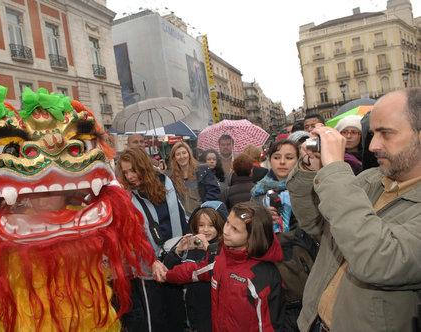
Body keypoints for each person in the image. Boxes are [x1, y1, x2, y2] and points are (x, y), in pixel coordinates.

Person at [286, 88, 421, 332]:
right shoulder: (370, 179)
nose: (373, 145)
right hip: (312, 323)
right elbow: (314, 224)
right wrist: (310, 169)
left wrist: (336, 170)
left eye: (385, 134)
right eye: (373, 133)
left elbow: (378, 259)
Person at [158, 202, 284, 332]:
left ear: (252, 236)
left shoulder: (262, 276)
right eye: (228, 223)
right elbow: (194, 271)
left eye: (235, 229)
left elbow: (268, 326)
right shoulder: (221, 257)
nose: (226, 230)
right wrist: (167, 275)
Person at [117, 147, 188, 332]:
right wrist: (152, 260)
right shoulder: (126, 196)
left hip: (175, 259)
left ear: (143, 166)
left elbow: (180, 216)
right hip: (149, 267)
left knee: (178, 314)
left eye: (133, 170)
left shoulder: (166, 183)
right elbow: (133, 236)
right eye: (125, 172)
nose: (130, 176)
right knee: (155, 320)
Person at [161, 201, 228, 332]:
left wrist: (208, 249)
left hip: (214, 311)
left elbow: (220, 269)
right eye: (201, 225)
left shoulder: (223, 247)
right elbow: (166, 269)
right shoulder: (190, 244)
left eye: (211, 225)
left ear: (220, 226)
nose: (206, 229)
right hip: (191, 309)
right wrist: (178, 251)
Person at [252, 139, 299, 233]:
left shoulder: (306, 189)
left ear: (298, 160)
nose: (282, 162)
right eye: (276, 157)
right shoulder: (258, 191)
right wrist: (262, 218)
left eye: (289, 158)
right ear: (269, 160)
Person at [169, 142, 221, 216]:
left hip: (202, 216)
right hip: (183, 220)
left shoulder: (203, 170)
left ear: (189, 154)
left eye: (184, 153)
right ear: (174, 158)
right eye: (178, 154)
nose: (182, 156)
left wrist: (204, 210)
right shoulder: (171, 178)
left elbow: (214, 192)